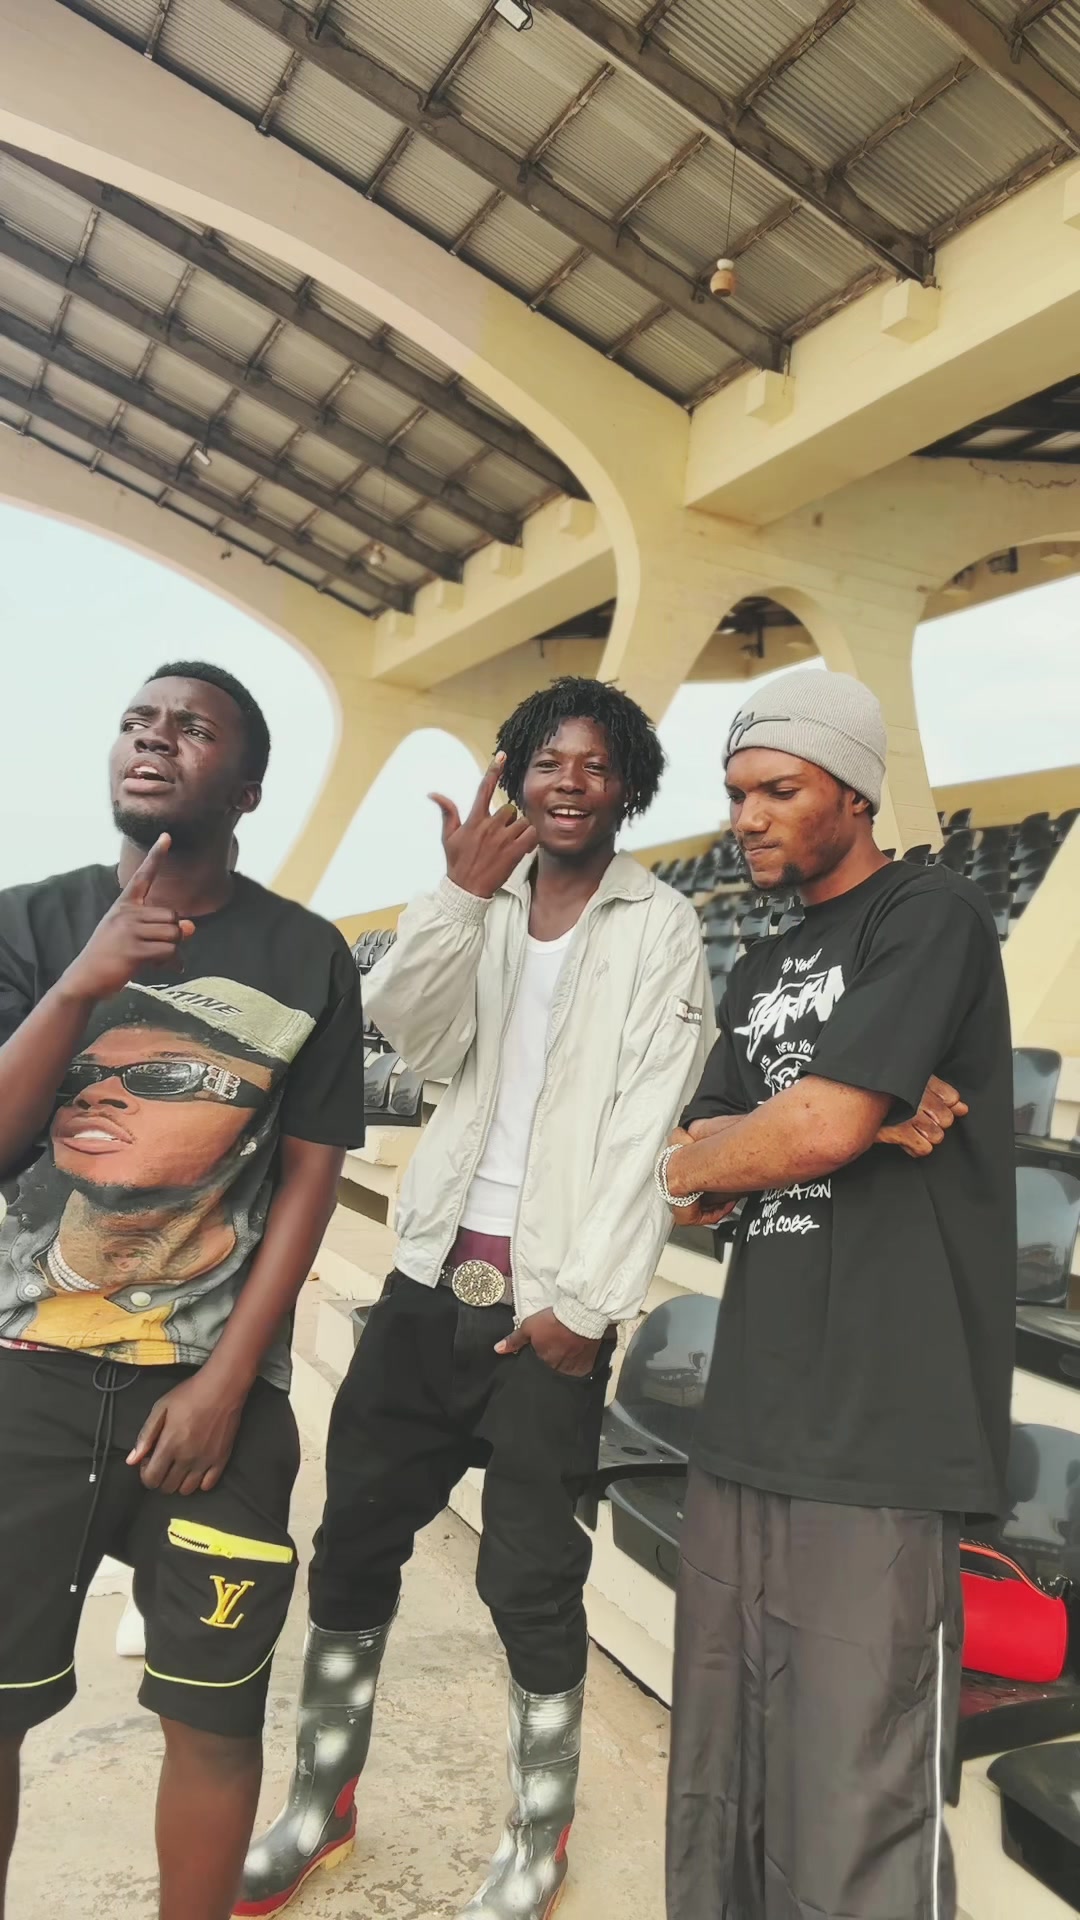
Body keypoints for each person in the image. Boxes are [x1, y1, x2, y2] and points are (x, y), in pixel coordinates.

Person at [240, 676, 713, 1919]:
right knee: (353, 1545)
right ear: (514, 774)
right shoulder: (478, 900)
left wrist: (588, 1306)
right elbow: (411, 1031)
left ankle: (536, 1836)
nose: (568, 781)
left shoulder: (659, 925)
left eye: (594, 764)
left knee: (529, 1580)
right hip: (424, 1286)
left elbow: (645, 1129)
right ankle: (319, 1805)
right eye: (547, 760)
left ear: (629, 786)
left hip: (548, 1309)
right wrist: (453, 898)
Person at [0, 662, 367, 1920]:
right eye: (136, 723)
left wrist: (226, 1382)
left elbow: (310, 1180)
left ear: (247, 786)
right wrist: (80, 984)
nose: (153, 741)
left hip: (211, 1401)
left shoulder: (306, 954)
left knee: (214, 1716)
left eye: (192, 729)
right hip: (24, 1382)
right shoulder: (31, 922)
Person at [658, 669, 1016, 1920]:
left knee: (858, 1791)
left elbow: (802, 1135)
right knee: (726, 1776)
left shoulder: (930, 915)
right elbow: (687, 1177)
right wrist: (812, 1123)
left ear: (855, 792)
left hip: (883, 1419)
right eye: (735, 794)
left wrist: (802, 1129)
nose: (746, 818)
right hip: (750, 1411)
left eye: (778, 789)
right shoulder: (763, 966)